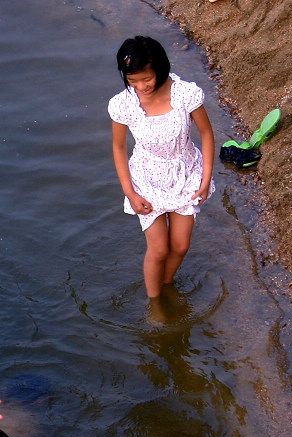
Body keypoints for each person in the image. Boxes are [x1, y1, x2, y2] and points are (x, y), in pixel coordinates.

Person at [108, 35, 215, 301]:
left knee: (180, 246)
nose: (141, 86)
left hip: (185, 172)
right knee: (158, 250)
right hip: (146, 178)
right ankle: (155, 305)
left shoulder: (185, 94)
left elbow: (207, 134)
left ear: (161, 68)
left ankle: (167, 285)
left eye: (147, 78)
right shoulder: (123, 104)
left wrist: (205, 179)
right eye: (133, 80)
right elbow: (119, 147)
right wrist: (130, 193)